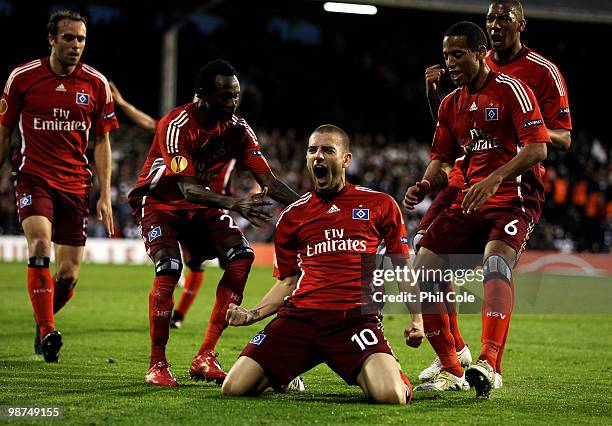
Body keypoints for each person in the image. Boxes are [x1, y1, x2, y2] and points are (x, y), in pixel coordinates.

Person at [414, 0, 572, 388]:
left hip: (514, 189)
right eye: (491, 18)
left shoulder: (524, 83)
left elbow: (551, 142)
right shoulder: (455, 99)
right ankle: (453, 365)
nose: (497, 24)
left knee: (495, 264)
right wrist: (425, 183)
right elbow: (450, 144)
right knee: (424, 262)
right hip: (466, 187)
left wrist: (512, 146)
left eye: (503, 18)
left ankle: (488, 363)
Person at [221, 124, 424, 404]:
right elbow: (288, 282)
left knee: (391, 396)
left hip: (353, 320)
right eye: (312, 150)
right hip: (300, 318)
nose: (318, 156)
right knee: (233, 388)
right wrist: (252, 314)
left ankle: (393, 373)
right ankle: (289, 370)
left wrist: (417, 319)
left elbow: (402, 266)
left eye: (328, 150)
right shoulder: (292, 216)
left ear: (345, 159)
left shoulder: (380, 204)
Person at [128, 59, 299, 387]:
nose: (231, 103)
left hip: (202, 205)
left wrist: (312, 205)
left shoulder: (237, 129)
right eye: (224, 97)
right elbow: (186, 187)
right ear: (202, 95)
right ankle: (157, 363)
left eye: (235, 96)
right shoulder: (176, 125)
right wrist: (234, 203)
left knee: (242, 256)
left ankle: (205, 354)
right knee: (168, 268)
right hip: (160, 202)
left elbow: (269, 182)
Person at [0, 10, 118, 362]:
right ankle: (49, 331)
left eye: (81, 39)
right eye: (69, 38)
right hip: (33, 176)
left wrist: (105, 194)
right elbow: (4, 133)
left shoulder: (96, 84)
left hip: (75, 185)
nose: (76, 45)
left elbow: (102, 142)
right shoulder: (22, 78)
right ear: (51, 39)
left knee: (67, 275)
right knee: (39, 243)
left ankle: (43, 323)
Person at [109, 81, 214, 330]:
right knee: (175, 263)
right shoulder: (176, 129)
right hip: (173, 201)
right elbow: (149, 124)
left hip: (204, 200)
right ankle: (174, 316)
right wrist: (122, 104)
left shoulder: (224, 131)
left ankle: (180, 315)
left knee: (201, 261)